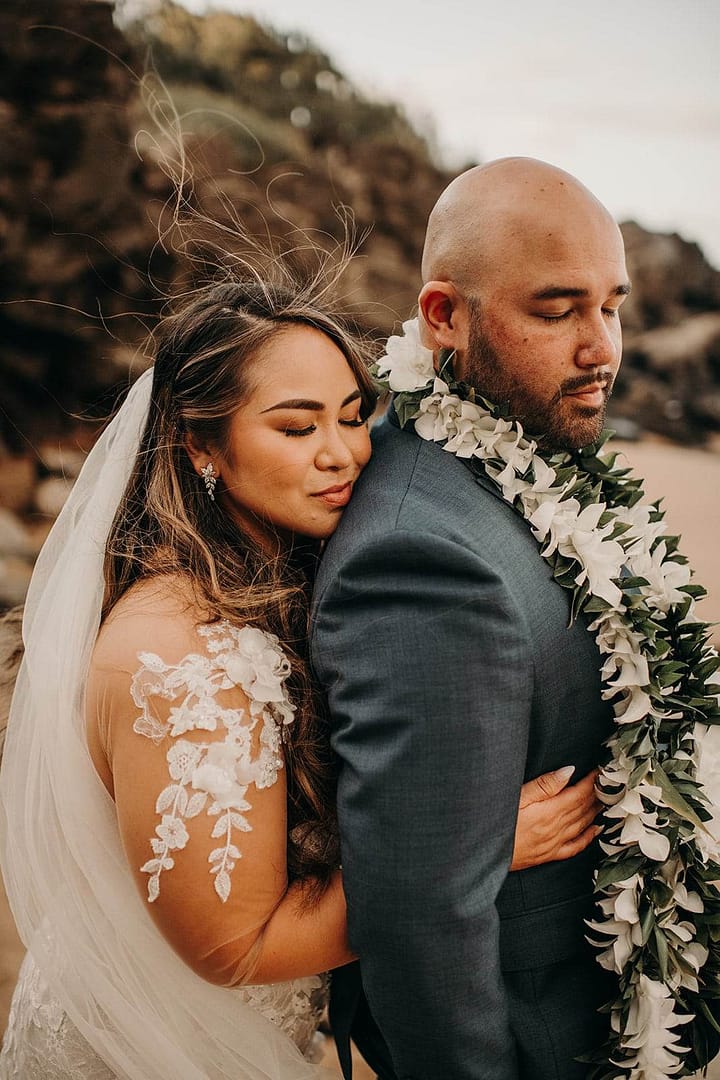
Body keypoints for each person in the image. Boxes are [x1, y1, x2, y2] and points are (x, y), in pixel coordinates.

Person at [0, 275, 599, 1079]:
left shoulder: (269, 576)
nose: (343, 453)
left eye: (355, 416)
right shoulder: (184, 660)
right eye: (295, 426)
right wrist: (472, 849)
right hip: (153, 1050)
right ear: (199, 443)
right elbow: (235, 947)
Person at [311, 158, 632, 1079]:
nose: (601, 347)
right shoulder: (422, 556)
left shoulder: (520, 469)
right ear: (444, 316)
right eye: (557, 308)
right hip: (524, 1036)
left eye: (612, 304)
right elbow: (419, 917)